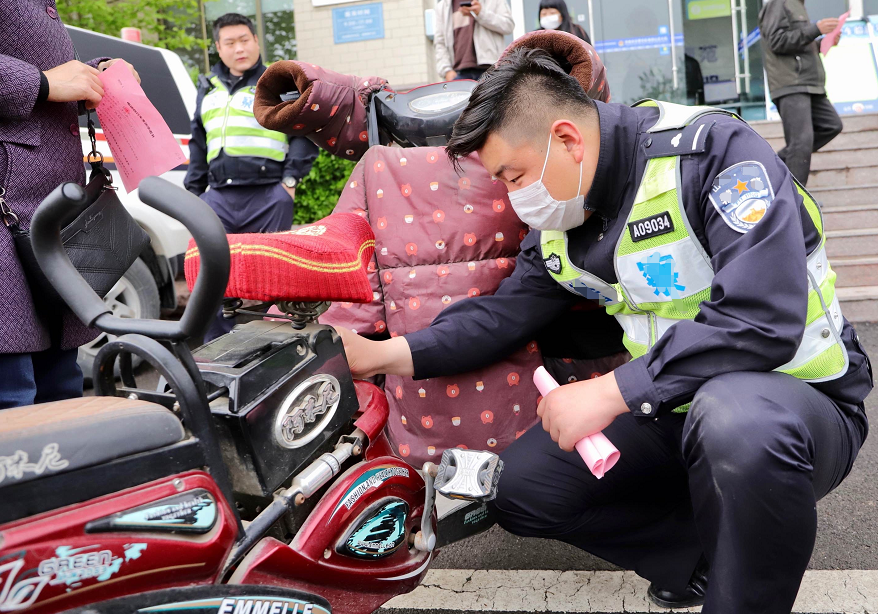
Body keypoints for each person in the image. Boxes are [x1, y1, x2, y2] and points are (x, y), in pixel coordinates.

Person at [337, 48, 872, 613]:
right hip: (674, 408)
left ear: (568, 140)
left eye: (514, 176)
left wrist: (611, 392)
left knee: (734, 418)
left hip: (797, 408)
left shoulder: (710, 153)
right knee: (522, 487)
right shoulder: (563, 220)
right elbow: (500, 316)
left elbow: (760, 318)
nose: (514, 196)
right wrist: (380, 355)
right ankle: (701, 558)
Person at [0, 1, 141, 409]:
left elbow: (49, 73)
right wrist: (41, 83)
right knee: (15, 403)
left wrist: (97, 75)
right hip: (12, 213)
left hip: (44, 217)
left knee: (60, 394)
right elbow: (44, 80)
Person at [184, 13, 319, 341]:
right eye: (229, 42)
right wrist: (194, 195)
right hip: (218, 198)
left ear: (257, 41)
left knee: (272, 277)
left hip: (269, 195)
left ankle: (273, 350)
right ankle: (216, 351)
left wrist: (289, 184)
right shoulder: (208, 87)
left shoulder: (278, 85)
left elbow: (303, 133)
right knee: (214, 278)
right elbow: (199, 141)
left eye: (245, 40)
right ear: (218, 47)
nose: (239, 48)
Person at [759, 0, 843, 185]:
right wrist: (816, 29)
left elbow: (797, 43)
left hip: (810, 83)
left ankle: (772, 165)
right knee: (801, 143)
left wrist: (823, 43)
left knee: (831, 125)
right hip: (791, 83)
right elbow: (776, 41)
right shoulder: (778, 3)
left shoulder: (797, 4)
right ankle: (797, 202)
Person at [434, 0, 515, 82]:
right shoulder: (443, 6)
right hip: (459, 74)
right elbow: (440, 42)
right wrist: (447, 71)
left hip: (491, 70)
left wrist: (481, 13)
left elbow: (508, 25)